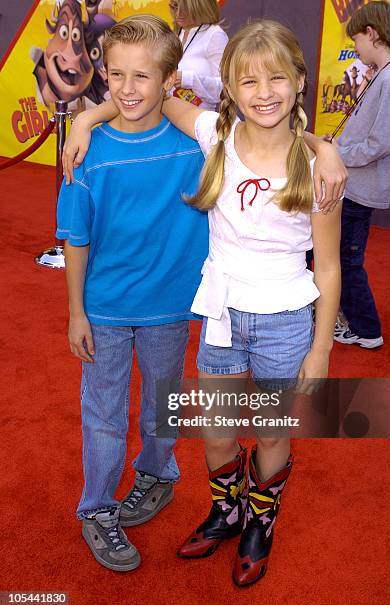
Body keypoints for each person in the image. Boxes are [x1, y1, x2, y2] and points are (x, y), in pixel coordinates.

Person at [158, 20, 342, 587]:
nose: (264, 92)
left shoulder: (316, 171)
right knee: (216, 432)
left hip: (286, 321)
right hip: (220, 311)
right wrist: (86, 119)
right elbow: (161, 101)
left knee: (268, 432)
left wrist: (321, 350)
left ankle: (261, 521)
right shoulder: (215, 135)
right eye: (249, 81)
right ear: (230, 90)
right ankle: (226, 510)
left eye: (277, 78)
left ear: (299, 83)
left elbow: (329, 265)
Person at [56, 14, 209, 572]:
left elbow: (268, 142)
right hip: (104, 309)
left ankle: (157, 475)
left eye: (142, 77)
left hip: (171, 308)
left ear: (169, 81)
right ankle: (97, 508)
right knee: (103, 414)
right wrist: (76, 311)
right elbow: (75, 236)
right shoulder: (86, 151)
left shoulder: (197, 146)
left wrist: (326, 150)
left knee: (161, 408)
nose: (125, 88)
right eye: (115, 74)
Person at [331, 1, 390, 349]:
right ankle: (351, 318)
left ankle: (367, 329)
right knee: (341, 257)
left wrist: (338, 153)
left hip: (361, 188)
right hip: (353, 184)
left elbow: (382, 141)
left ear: (371, 34)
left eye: (356, 40)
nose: (355, 48)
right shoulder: (385, 75)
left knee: (348, 261)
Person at [169, 0, 228, 109]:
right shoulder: (177, 32)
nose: (178, 13)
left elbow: (224, 88)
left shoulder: (215, 35)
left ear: (201, 6)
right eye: (175, 6)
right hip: (169, 115)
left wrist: (187, 79)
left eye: (186, 8)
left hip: (198, 120)